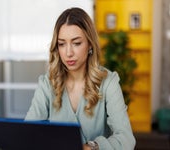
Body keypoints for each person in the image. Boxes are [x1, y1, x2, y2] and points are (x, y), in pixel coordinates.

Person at [25, 7, 136, 150]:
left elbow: (126, 139)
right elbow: (29, 134)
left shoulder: (108, 82)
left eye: (76, 43)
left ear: (90, 44)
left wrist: (91, 147)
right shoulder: (47, 83)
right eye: (62, 44)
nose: (68, 53)